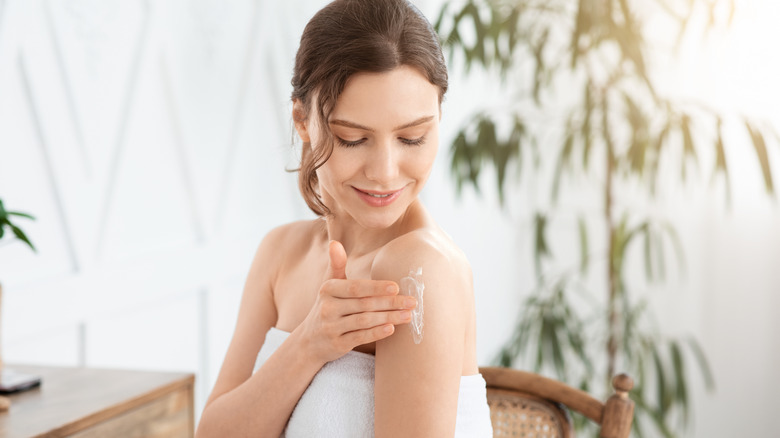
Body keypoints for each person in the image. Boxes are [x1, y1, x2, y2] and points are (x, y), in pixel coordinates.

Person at [196, 0, 493, 436]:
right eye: (354, 139)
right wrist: (309, 343)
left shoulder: (418, 269)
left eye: (413, 137)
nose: (386, 172)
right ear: (302, 119)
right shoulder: (282, 254)